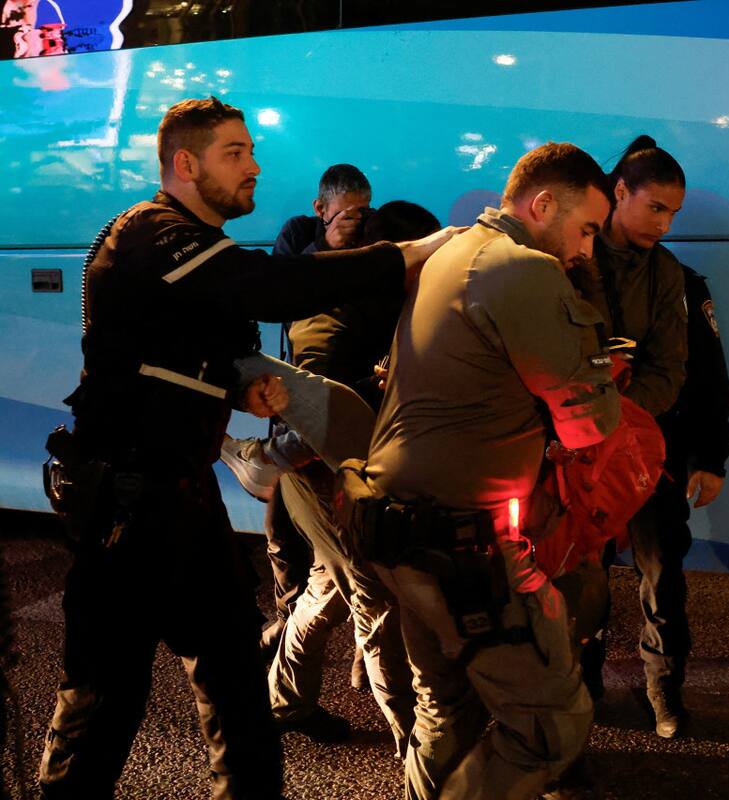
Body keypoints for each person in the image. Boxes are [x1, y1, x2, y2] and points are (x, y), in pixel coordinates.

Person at [38, 96, 453, 799]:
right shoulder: (154, 232)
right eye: (235, 153)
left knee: (239, 693)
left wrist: (238, 388)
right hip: (129, 511)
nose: (254, 166)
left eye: (252, 151)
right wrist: (408, 255)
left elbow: (177, 343)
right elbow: (271, 288)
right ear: (185, 163)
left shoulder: (199, 252)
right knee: (103, 704)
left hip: (185, 499)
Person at [361, 142, 620, 799]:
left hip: (398, 528)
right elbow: (589, 422)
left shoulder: (453, 253)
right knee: (550, 727)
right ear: (543, 205)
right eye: (586, 229)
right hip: (463, 546)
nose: (587, 249)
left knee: (447, 712)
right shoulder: (522, 268)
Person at [266, 201, 441, 752]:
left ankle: (285, 700)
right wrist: (374, 387)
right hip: (320, 473)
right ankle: (415, 742)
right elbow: (307, 408)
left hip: (357, 469)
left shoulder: (394, 303)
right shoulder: (333, 312)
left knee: (329, 591)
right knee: (376, 602)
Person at [570, 135, 703, 739]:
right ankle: (581, 683)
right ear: (619, 192)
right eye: (656, 208)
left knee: (662, 569)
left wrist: (619, 421)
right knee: (582, 571)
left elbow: (671, 368)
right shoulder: (573, 256)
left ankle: (663, 688)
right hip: (576, 449)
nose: (665, 224)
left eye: (673, 213)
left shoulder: (668, 272)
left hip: (643, 449)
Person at [222, 163, 374, 685]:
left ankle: (302, 666)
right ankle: (282, 646)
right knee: (287, 541)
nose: (356, 221)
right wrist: (328, 246)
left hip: (342, 418)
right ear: (320, 208)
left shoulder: (374, 243)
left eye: (362, 211)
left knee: (345, 567)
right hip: (296, 412)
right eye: (345, 212)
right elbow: (281, 290)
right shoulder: (298, 236)